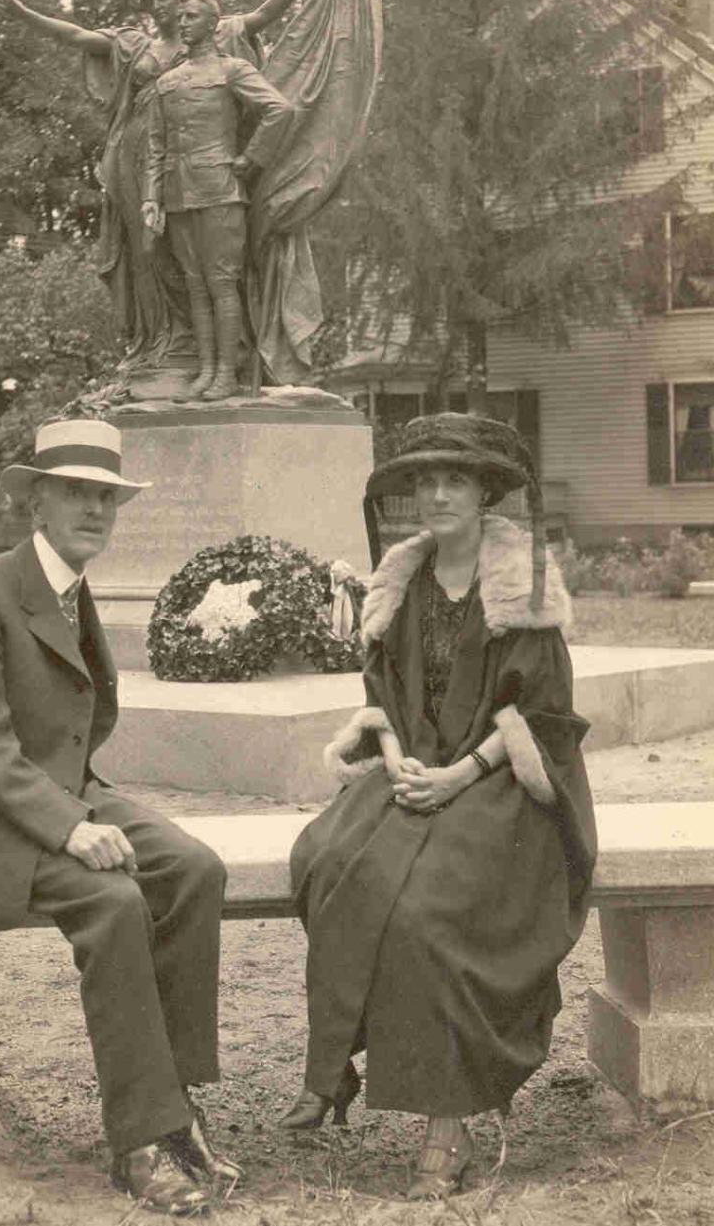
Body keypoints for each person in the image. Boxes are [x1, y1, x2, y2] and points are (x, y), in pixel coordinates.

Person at [0, 418, 239, 1215]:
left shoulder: (71, 588)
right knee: (113, 899)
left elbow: (81, 721)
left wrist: (78, 802)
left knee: (195, 869)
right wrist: (70, 824)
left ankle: (175, 1105)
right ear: (38, 503)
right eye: (76, 493)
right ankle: (138, 1142)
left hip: (55, 790)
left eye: (106, 496)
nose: (94, 509)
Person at [283, 413, 597, 1199]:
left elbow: (544, 716)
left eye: (455, 478)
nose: (438, 493)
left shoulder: (519, 584)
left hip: (501, 782)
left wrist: (458, 776)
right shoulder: (400, 584)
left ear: (486, 490)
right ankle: (333, 1068)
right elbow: (381, 698)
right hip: (414, 767)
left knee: (429, 912)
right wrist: (396, 761)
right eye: (425, 480)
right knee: (330, 860)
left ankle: (447, 1124)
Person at [0, 0, 315, 396]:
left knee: (218, 276)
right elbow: (75, 36)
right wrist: (23, 12)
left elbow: (262, 19)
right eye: (151, 4)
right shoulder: (137, 47)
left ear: (184, 0)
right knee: (157, 260)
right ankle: (168, 350)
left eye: (166, 1)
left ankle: (222, 365)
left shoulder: (221, 48)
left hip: (211, 171)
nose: (162, 12)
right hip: (147, 168)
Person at [142, 0, 294, 400]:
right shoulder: (166, 81)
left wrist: (251, 158)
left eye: (192, 16)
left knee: (223, 283)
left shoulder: (233, 70)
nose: (184, 22)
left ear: (213, 24)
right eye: (181, 16)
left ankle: (227, 372)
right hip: (177, 193)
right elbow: (156, 146)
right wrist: (150, 198)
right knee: (195, 285)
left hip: (221, 189)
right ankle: (206, 371)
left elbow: (280, 109)